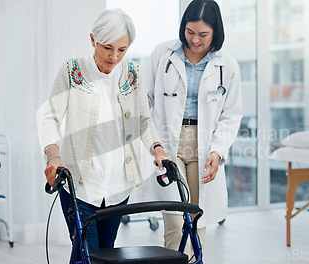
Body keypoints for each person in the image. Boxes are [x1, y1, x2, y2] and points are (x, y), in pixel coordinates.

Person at [39, 9, 170, 253]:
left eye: (122, 49)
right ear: (93, 40)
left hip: (119, 187)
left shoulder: (133, 73)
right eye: (107, 47)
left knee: (106, 252)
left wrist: (158, 150)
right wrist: (53, 155)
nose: (114, 56)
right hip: (79, 184)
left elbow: (143, 119)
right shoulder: (72, 70)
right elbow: (50, 117)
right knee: (85, 251)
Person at [143, 0, 242, 258]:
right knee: (175, 224)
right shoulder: (162, 54)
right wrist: (154, 144)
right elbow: (143, 102)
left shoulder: (227, 64)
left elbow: (231, 115)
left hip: (205, 143)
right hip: (168, 142)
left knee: (197, 221)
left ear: (216, 32)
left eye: (203, 34)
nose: (195, 40)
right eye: (190, 32)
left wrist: (218, 151)